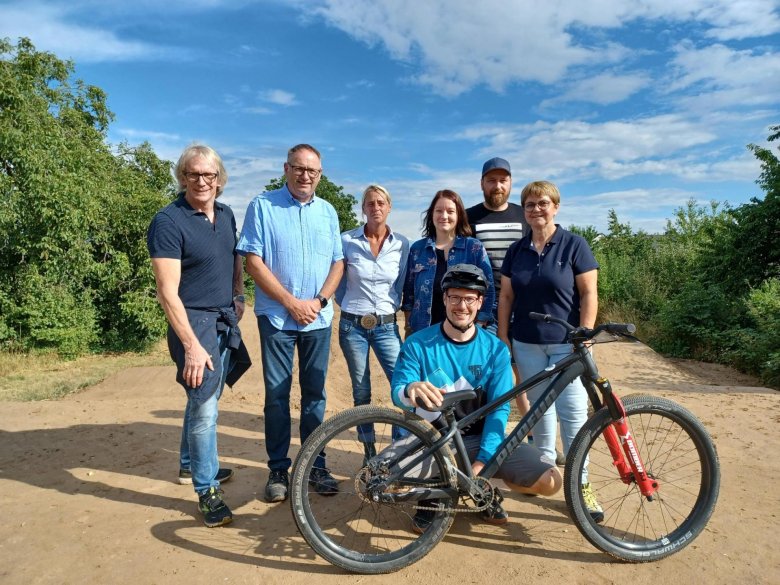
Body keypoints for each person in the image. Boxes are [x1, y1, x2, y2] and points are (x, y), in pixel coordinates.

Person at [391, 264, 561, 533]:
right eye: (455, 297)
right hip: (434, 441)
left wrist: (484, 463)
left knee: (551, 481)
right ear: (444, 299)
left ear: (480, 302)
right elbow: (398, 392)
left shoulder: (495, 350)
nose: (462, 306)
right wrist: (410, 389)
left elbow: (499, 410)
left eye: (469, 298)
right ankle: (435, 497)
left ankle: (484, 488)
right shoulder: (417, 343)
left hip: (480, 439)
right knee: (391, 482)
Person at [147, 144, 251, 528]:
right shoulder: (168, 221)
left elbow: (234, 256)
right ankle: (207, 490)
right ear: (183, 178)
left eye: (209, 175)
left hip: (223, 318)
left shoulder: (225, 214)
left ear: (219, 179)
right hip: (193, 323)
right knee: (205, 406)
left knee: (205, 396)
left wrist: (239, 294)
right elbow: (166, 291)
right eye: (194, 174)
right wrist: (191, 345)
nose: (202, 181)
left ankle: (190, 464)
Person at [237, 143, 344, 503]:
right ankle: (278, 468)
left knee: (315, 396)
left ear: (320, 174)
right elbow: (253, 261)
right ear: (286, 169)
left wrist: (318, 301)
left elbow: (338, 263)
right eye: (298, 168)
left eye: (312, 171)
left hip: (318, 318)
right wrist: (291, 303)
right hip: (278, 319)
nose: (305, 176)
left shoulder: (328, 212)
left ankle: (316, 465)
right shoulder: (263, 206)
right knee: (277, 396)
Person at [497, 180, 602, 521]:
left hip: (566, 344)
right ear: (524, 211)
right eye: (529, 204)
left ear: (556, 206)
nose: (536, 209)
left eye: (543, 203)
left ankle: (580, 485)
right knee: (539, 413)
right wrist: (503, 336)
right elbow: (507, 297)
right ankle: (543, 473)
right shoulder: (517, 250)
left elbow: (588, 293)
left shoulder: (574, 245)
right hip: (526, 342)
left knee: (572, 414)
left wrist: (585, 334)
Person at [335, 185, 410, 457]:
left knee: (402, 385)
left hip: (387, 325)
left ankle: (398, 451)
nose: (375, 207)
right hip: (353, 325)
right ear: (363, 208)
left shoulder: (402, 243)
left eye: (381, 203)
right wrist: (348, 304)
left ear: (389, 207)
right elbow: (339, 281)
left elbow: (401, 283)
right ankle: (368, 451)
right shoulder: (347, 240)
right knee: (361, 390)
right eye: (370, 203)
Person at [465, 157, 534, 442]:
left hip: (522, 309)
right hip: (483, 311)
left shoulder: (523, 216)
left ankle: (534, 437)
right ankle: (477, 437)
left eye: (503, 180)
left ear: (510, 183)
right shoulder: (469, 217)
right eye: (491, 180)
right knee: (484, 376)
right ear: (482, 183)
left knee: (525, 378)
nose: (497, 185)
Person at [402, 189, 494, 336]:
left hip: (463, 333)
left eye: (450, 211)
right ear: (432, 214)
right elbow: (409, 293)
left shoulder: (473, 248)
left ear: (459, 215)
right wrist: (408, 327)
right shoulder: (417, 249)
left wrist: (479, 324)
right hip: (423, 332)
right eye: (439, 211)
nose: (444, 216)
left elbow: (488, 289)